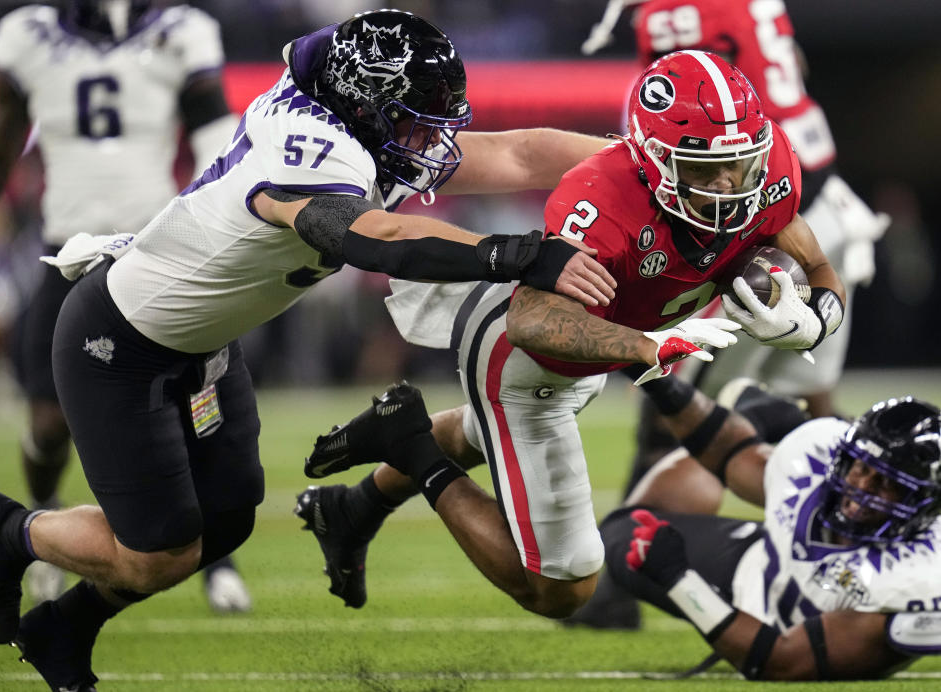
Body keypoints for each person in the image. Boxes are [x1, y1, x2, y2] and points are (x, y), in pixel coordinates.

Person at [0, 9, 618, 690]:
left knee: (226, 519)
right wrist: (517, 254)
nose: (428, 139)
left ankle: (63, 627)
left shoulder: (357, 119)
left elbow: (518, 154)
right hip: (121, 342)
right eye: (410, 119)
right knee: (158, 555)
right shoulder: (310, 145)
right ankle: (4, 530)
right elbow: (372, 236)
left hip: (202, 341)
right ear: (364, 102)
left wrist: (642, 163)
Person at [296, 49, 846, 619]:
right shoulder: (606, 201)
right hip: (524, 358)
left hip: (599, 348)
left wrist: (819, 316)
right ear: (656, 161)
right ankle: (412, 445)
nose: (731, 186)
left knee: (479, 434)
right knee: (563, 588)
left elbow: (812, 256)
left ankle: (353, 508)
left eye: (742, 163)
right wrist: (645, 348)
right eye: (704, 169)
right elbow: (531, 320)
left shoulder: (767, 166)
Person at [0, 0, 252, 612]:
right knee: (49, 424)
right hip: (66, 253)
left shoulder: (182, 32)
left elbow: (217, 139)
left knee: (197, 409)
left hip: (154, 253)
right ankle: (45, 526)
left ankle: (220, 558)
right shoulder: (28, 36)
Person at [583, 0, 891, 496]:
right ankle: (875, 493)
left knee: (676, 405)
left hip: (757, 212)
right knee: (814, 402)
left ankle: (634, 550)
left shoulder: (677, 12)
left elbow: (684, 105)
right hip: (824, 199)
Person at [595, 380, 941, 680]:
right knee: (620, 532)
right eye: (860, 468)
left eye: (884, 482)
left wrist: (679, 580)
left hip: (773, 625)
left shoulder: (917, 580)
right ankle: (766, 417)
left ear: (926, 500)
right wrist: (660, 382)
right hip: (757, 566)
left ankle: (770, 417)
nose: (860, 489)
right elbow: (729, 454)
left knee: (645, 548)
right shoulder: (820, 456)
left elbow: (782, 662)